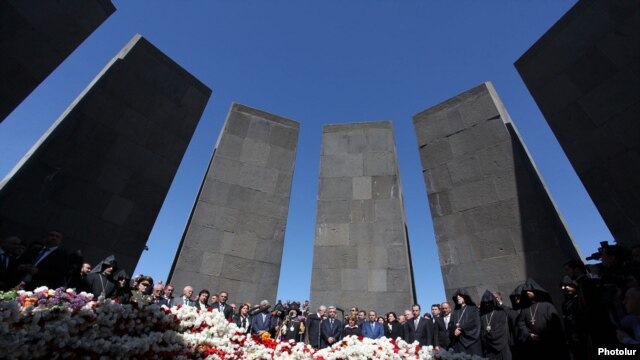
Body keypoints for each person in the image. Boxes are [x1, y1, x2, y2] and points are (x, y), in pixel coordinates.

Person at [516, 278, 567, 360]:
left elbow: (554, 323)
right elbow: (521, 323)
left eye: (530, 290)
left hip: (548, 342)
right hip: (531, 343)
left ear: (536, 291)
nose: (528, 292)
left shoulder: (547, 305)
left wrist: (542, 335)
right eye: (526, 291)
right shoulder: (525, 309)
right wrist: (529, 335)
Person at [480, 290, 512, 360]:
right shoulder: (482, 317)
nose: (487, 305)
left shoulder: (501, 313)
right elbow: (481, 332)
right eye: (485, 303)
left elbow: (501, 330)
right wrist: (486, 334)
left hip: (501, 346)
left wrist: (488, 334)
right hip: (489, 349)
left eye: (489, 303)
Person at [449, 289, 482, 356]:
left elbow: (474, 322)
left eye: (460, 296)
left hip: (471, 341)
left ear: (465, 297)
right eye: (457, 297)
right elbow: (451, 324)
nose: (458, 298)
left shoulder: (472, 308)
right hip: (459, 341)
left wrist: (461, 328)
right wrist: (454, 329)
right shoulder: (456, 311)